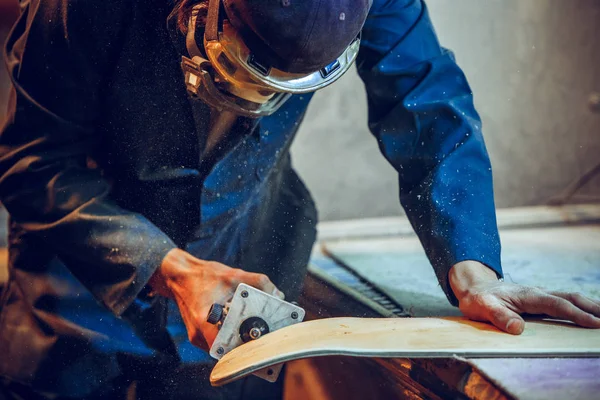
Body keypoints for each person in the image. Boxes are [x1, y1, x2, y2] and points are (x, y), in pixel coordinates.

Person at [0, 0, 599, 399]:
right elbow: (32, 162)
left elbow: (426, 104)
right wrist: (167, 267)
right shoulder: (81, 9)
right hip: (79, 284)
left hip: (245, 260)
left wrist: (473, 269)